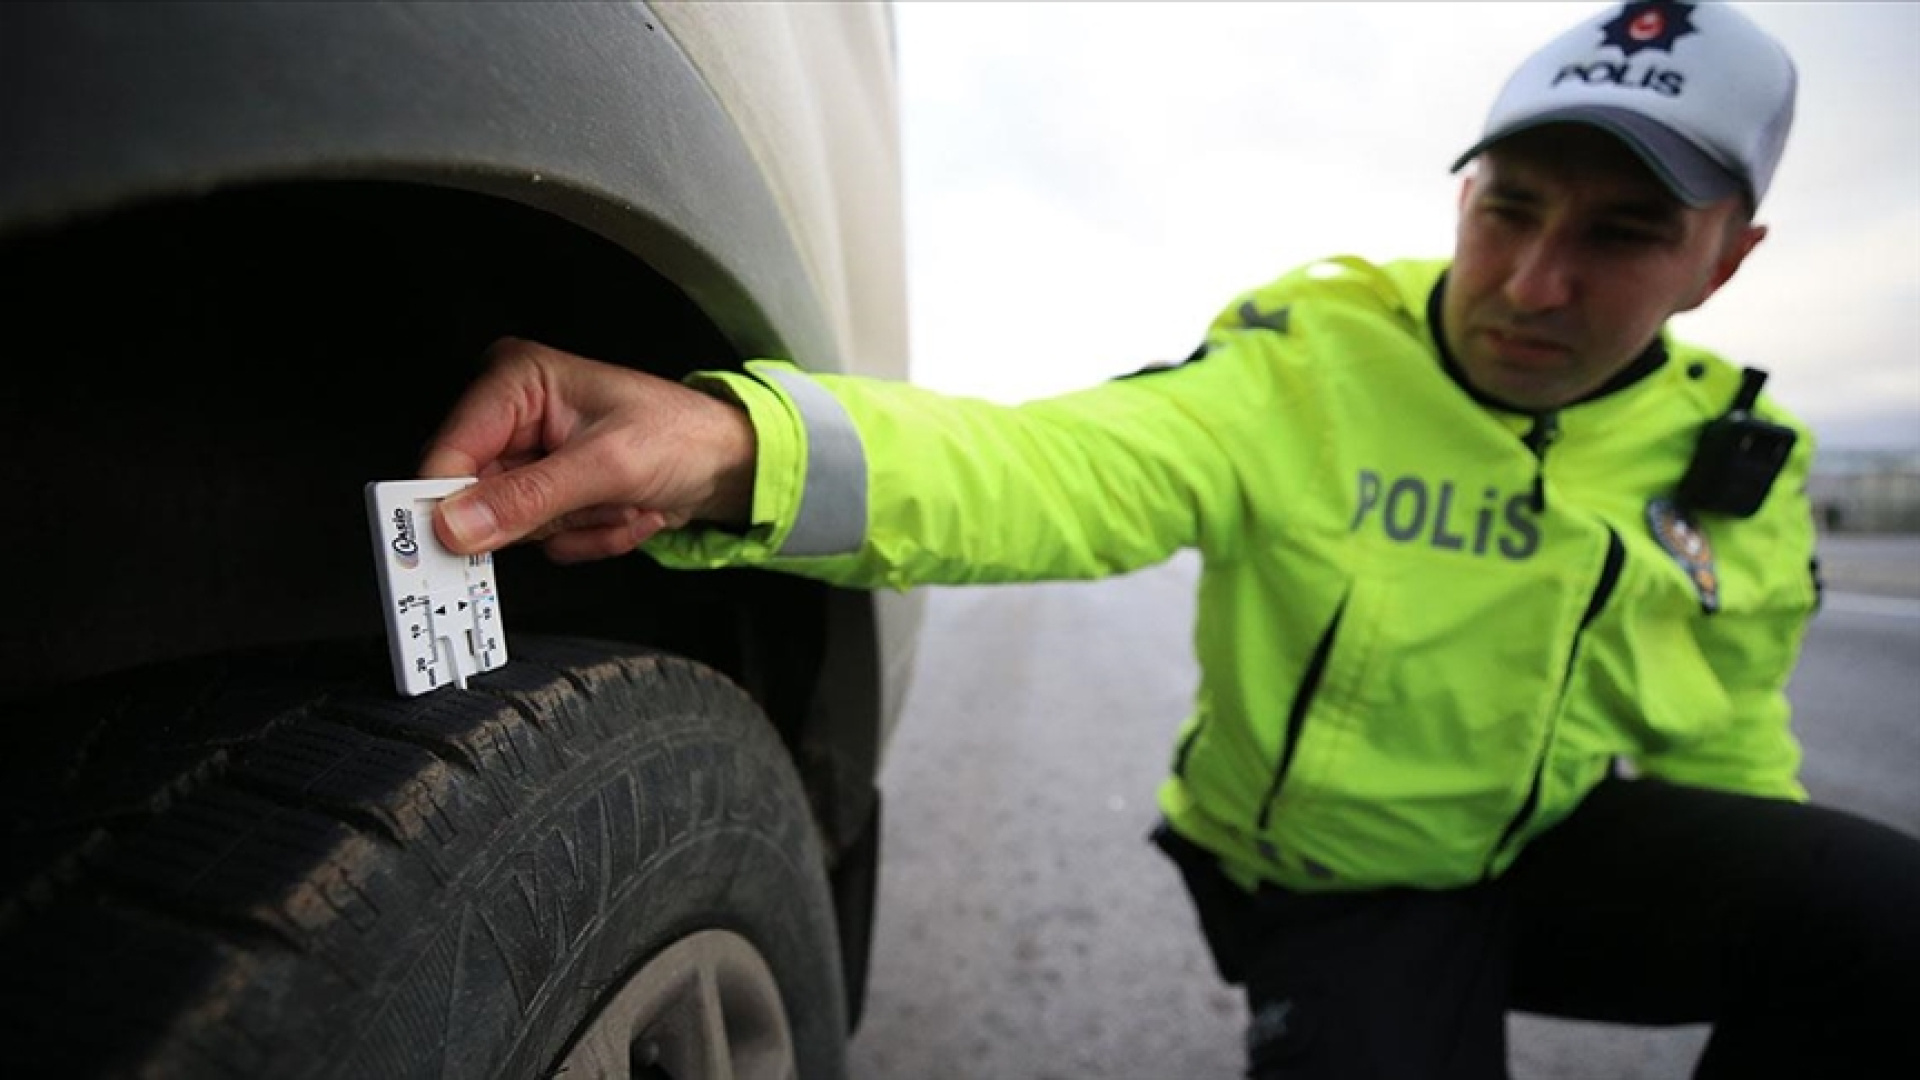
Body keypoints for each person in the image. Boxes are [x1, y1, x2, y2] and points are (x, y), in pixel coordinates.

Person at [420, 3, 1920, 1077]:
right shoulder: (1313, 359)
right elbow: (1059, 466)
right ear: (1463, 192)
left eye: (1619, 234)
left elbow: (1728, 741)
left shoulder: (1733, 457)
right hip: (1344, 890)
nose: (1532, 280)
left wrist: (1773, 902)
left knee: (1874, 916)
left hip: (1552, 854)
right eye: (1507, 208)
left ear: (1726, 260)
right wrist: (737, 447)